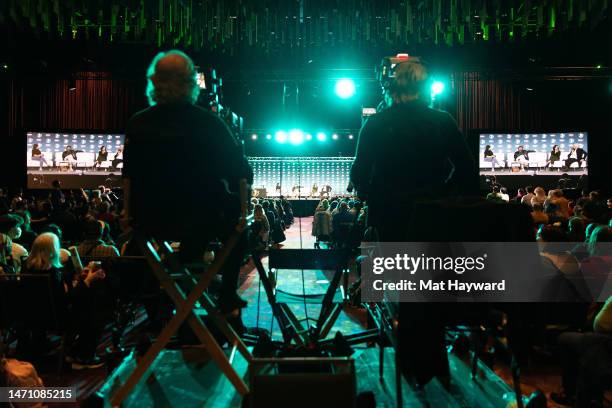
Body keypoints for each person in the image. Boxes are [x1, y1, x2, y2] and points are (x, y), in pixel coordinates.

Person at [350, 57, 474, 387]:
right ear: (424, 87)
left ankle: (409, 364)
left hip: (391, 222)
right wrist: (440, 195)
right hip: (434, 220)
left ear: (390, 87)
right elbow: (468, 174)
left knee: (404, 293)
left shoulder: (375, 124)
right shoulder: (443, 121)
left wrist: (379, 196)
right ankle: (432, 364)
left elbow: (358, 176)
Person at [123, 50, 253, 313]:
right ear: (191, 83)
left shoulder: (137, 124)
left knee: (188, 240)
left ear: (154, 83)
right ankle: (226, 294)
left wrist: (129, 213)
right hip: (205, 218)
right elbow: (240, 171)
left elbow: (129, 176)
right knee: (240, 230)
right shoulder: (210, 124)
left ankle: (161, 302)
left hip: (150, 221)